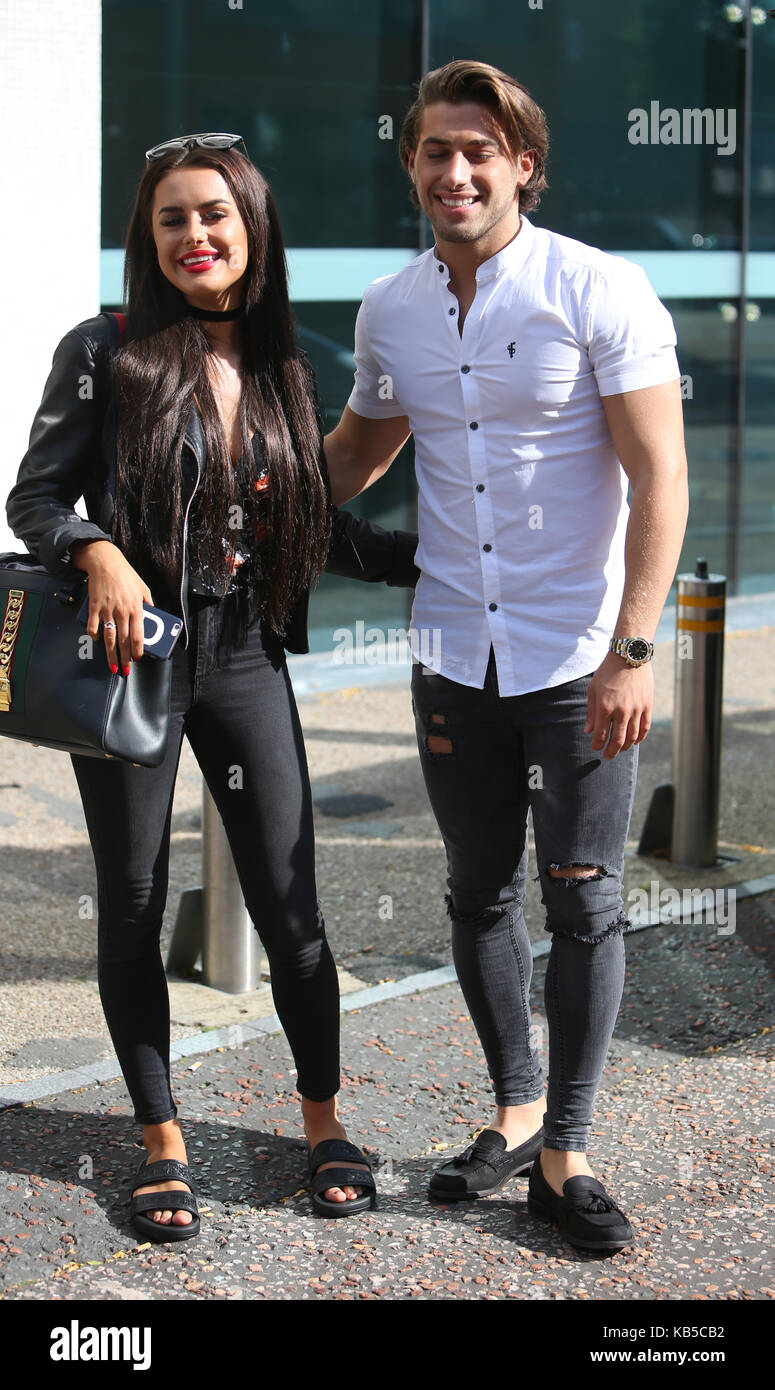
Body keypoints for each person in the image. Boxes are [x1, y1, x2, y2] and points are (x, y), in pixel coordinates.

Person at [7, 133, 418, 1240]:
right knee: (134, 905)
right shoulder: (107, 349)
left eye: (214, 215)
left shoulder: (285, 359)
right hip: (130, 661)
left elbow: (307, 523)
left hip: (242, 657)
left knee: (293, 911)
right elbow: (34, 498)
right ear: (150, 236)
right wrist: (92, 546)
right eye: (173, 218)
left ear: (251, 227)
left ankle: (325, 1122)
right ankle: (159, 1142)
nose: (195, 235)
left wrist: (447, 563)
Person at [323, 62, 689, 1252]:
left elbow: (660, 477)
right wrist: (225, 480)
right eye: (434, 151)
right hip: (448, 653)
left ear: (522, 164)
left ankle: (567, 1152)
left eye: (478, 151)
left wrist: (636, 649)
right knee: (476, 891)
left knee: (581, 900)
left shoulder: (598, 287)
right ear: (413, 165)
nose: (455, 172)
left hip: (581, 656)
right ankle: (515, 1110)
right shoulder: (389, 309)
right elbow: (352, 458)